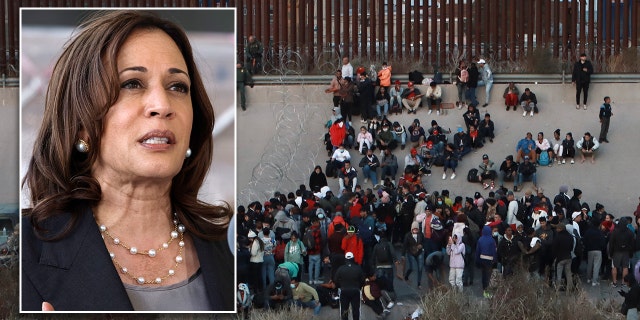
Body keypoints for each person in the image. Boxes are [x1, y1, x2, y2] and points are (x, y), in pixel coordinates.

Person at [21, 11, 234, 311]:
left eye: (178, 86)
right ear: (81, 123)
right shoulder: (22, 255)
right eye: (132, 83)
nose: (162, 105)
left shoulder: (229, 250)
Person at [334, 252, 365, 320]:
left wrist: (340, 286)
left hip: (344, 291)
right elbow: (363, 280)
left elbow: (335, 280)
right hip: (355, 291)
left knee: (344, 310)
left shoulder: (341, 268)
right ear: (353, 258)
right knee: (356, 310)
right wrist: (359, 287)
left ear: (345, 259)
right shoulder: (358, 268)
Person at [610, 220, 635, 287]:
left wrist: (611, 253)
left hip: (616, 252)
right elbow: (632, 244)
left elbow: (611, 243)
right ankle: (624, 282)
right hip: (626, 252)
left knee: (614, 267)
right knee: (625, 267)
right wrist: (631, 253)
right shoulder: (630, 232)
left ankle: (614, 282)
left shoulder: (615, 232)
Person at [476, 225, 497, 298]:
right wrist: (495, 260)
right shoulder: (492, 240)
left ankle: (484, 290)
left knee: (484, 275)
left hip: (482, 259)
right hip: (490, 260)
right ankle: (488, 291)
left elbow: (478, 251)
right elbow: (494, 251)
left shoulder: (480, 239)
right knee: (489, 276)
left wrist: (477, 260)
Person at [553, 223, 574, 291]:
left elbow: (554, 247)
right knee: (568, 274)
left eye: (557, 228)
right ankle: (569, 289)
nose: (556, 230)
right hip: (568, 257)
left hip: (560, 258)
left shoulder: (558, 237)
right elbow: (571, 247)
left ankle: (557, 289)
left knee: (559, 274)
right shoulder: (570, 236)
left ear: (561, 229)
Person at [403, 222, 425, 289]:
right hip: (411, 252)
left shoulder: (421, 234)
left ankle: (419, 283)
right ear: (411, 229)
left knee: (420, 268)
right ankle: (406, 276)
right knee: (412, 267)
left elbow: (424, 242)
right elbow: (405, 245)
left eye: (416, 229)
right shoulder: (408, 235)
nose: (415, 231)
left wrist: (422, 246)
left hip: (419, 252)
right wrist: (403, 255)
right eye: (414, 229)